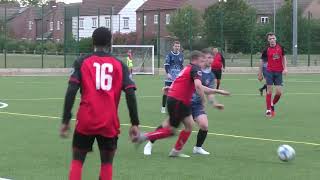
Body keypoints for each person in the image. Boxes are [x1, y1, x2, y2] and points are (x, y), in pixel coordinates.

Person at [60, 27, 140, 180]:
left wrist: (65, 120)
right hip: (108, 122)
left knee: (77, 161)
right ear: (110, 43)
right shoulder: (119, 65)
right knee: (106, 164)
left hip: (86, 120)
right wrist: (134, 123)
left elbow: (71, 91)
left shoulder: (82, 62)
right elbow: (130, 93)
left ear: (92, 42)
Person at [135, 51, 230, 158]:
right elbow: (198, 87)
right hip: (178, 101)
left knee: (189, 125)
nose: (204, 62)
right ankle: (144, 137)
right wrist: (204, 100)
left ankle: (176, 151)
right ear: (196, 60)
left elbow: (194, 85)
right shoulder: (195, 68)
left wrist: (218, 91)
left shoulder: (189, 68)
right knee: (170, 130)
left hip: (181, 101)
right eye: (202, 60)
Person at [258, 32, 288, 118]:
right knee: (269, 90)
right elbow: (262, 61)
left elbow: (284, 57)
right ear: (268, 40)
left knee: (278, 92)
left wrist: (285, 68)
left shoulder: (280, 47)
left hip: (279, 72)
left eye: (273, 38)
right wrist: (260, 73)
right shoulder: (266, 50)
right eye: (270, 39)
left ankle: (272, 104)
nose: (272, 40)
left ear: (276, 39)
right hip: (269, 71)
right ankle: (268, 110)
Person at [161, 41, 184, 113]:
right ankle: (163, 107)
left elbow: (181, 66)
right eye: (176, 46)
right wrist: (168, 73)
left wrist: (182, 74)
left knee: (178, 92)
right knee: (166, 91)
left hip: (178, 77)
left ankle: (176, 107)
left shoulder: (181, 55)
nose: (177, 48)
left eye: (178, 46)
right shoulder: (169, 55)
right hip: (170, 77)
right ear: (173, 47)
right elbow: (166, 65)